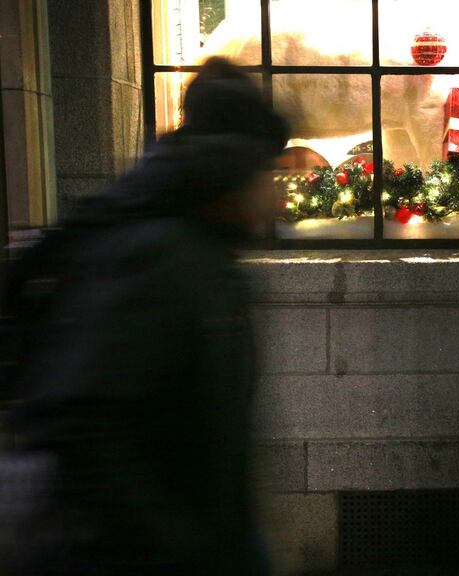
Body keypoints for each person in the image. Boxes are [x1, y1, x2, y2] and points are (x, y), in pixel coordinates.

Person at [0, 57, 288, 575]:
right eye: (269, 173)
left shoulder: (199, 254)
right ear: (234, 174)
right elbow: (96, 432)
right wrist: (186, 548)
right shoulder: (164, 259)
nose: (278, 195)